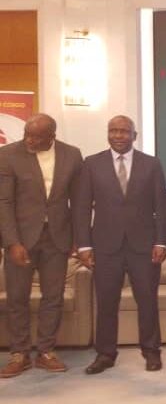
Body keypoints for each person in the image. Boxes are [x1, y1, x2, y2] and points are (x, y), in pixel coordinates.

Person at [74, 115, 166, 374]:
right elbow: (82, 207)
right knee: (106, 303)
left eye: (124, 131)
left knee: (147, 301)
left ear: (134, 136)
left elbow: (161, 206)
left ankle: (151, 351)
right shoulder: (92, 164)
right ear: (108, 133)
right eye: (113, 130)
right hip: (105, 246)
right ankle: (105, 354)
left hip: (144, 246)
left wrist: (161, 241)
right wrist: (84, 246)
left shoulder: (151, 164)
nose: (118, 135)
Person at [0, 114, 82, 378]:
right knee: (17, 297)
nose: (29, 140)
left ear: (52, 136)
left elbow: (78, 201)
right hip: (21, 239)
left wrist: (78, 239)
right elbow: (4, 202)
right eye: (27, 134)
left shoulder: (72, 155)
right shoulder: (8, 155)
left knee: (53, 297)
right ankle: (19, 354)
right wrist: (12, 242)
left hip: (57, 238)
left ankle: (46, 351)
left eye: (36, 137)